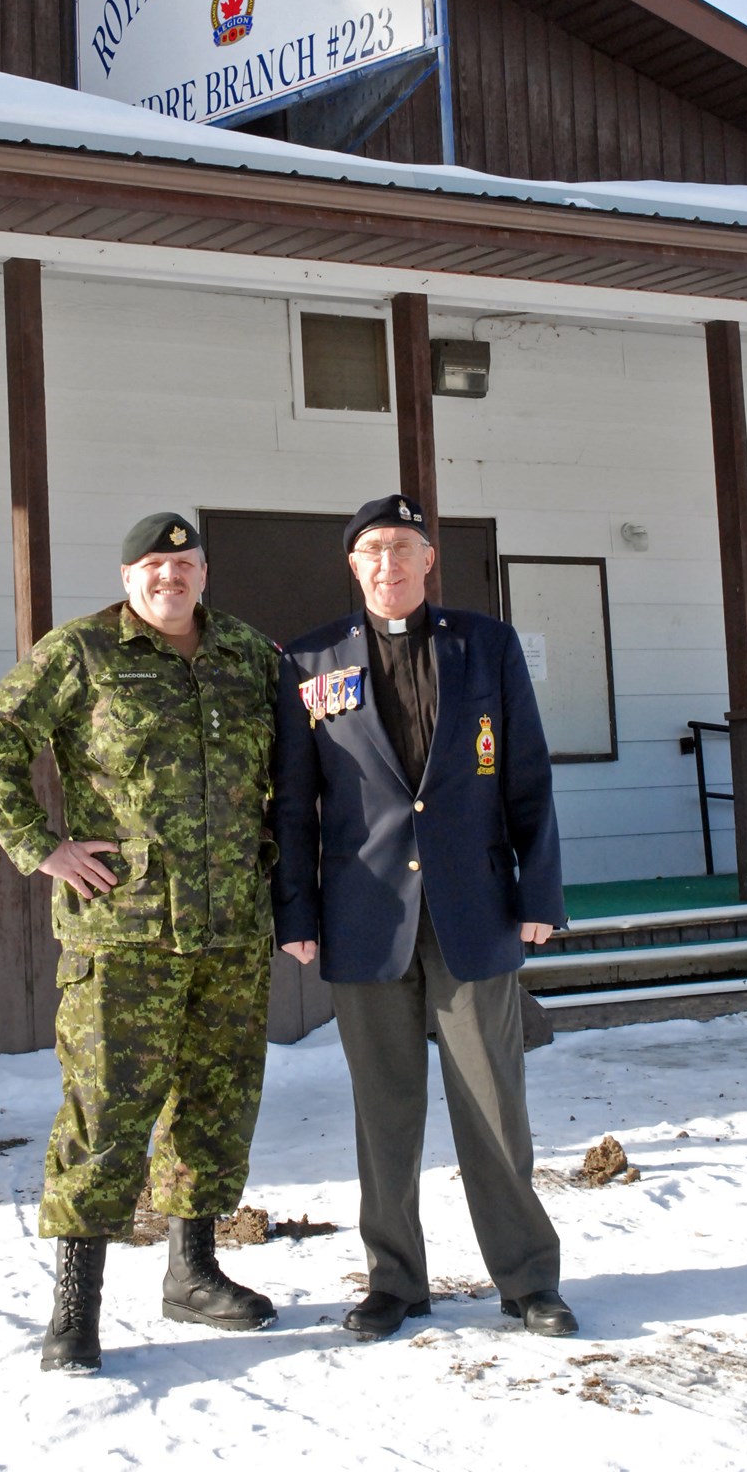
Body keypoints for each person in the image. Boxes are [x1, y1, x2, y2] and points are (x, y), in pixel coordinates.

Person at [0, 513, 280, 1373]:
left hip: (231, 935)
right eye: (151, 564)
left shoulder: (251, 657)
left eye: (182, 563)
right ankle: (75, 1308)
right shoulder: (83, 653)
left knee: (215, 1107)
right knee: (104, 1120)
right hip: (125, 936)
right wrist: (41, 846)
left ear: (205, 572)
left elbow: (293, 773)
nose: (168, 577)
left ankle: (194, 1272)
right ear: (129, 574)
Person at [271, 494, 577, 1342]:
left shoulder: (486, 645)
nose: (389, 563)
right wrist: (294, 909)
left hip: (474, 912)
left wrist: (540, 896)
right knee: (385, 1112)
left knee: (493, 1105)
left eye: (404, 547)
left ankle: (526, 1279)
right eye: (373, 550)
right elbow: (294, 804)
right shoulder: (309, 661)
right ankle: (395, 1281)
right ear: (353, 564)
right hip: (363, 919)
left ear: (429, 559)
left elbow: (527, 775)